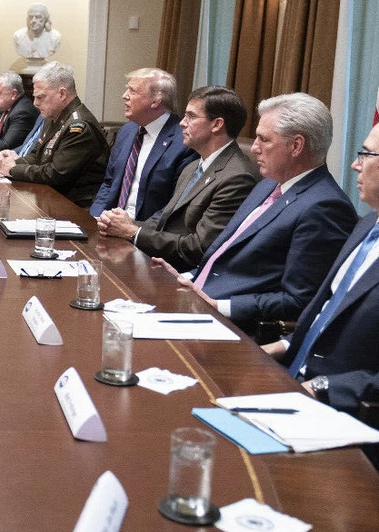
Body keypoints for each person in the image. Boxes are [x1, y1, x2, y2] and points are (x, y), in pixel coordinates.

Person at [154, 92, 357, 331]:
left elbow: (299, 300)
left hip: (234, 326)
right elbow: (226, 261)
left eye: (264, 140)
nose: (255, 148)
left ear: (296, 145)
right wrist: (186, 278)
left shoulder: (325, 207)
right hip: (196, 299)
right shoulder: (268, 185)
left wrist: (220, 306)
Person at [261, 122, 379, 418]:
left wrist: (323, 387)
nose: (354, 165)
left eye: (366, 155)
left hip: (341, 410)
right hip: (290, 374)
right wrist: (278, 346)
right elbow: (329, 313)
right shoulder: (366, 224)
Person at [97, 86, 259, 271]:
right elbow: (164, 221)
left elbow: (200, 247)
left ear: (217, 124)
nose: (182, 123)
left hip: (186, 274)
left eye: (191, 116)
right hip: (161, 262)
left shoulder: (237, 177)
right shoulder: (193, 166)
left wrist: (132, 232)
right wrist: (122, 223)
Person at [0, 61, 108, 207]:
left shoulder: (79, 127)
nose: (35, 103)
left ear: (62, 93)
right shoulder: (54, 116)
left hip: (74, 205)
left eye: (40, 97)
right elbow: (37, 155)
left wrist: (13, 169)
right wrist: (13, 161)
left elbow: (55, 174)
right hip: (51, 196)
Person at [90, 68, 196, 222]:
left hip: (145, 232)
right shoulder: (127, 130)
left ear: (156, 101)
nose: (124, 96)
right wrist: (94, 217)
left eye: (132, 91)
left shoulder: (184, 142)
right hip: (108, 223)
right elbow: (109, 182)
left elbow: (175, 204)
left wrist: (134, 229)